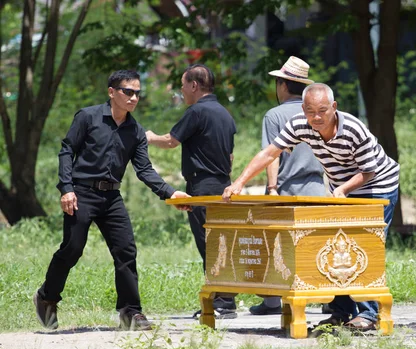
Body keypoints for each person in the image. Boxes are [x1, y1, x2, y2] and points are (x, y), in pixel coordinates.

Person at [223, 83, 399, 331]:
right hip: (342, 188)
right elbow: (269, 154)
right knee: (335, 243)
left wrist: (342, 190)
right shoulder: (299, 124)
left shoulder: (353, 129)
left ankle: (369, 314)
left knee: (364, 243)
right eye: (310, 111)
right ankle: (341, 311)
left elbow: (368, 171)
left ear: (334, 108)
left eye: (322, 111)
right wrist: (239, 183)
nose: (316, 117)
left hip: (377, 184)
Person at [33, 70, 190, 331]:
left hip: (111, 197)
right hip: (81, 193)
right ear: (112, 92)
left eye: (137, 93)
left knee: (126, 250)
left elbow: (144, 169)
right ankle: (47, 296)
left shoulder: (135, 131)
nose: (133, 97)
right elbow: (66, 150)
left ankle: (131, 312)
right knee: (73, 248)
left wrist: (171, 193)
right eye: (127, 91)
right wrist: (66, 188)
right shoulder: (88, 117)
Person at [145, 64, 238, 319]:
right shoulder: (225, 114)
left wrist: (149, 137)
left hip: (202, 186)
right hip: (223, 186)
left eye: (184, 85)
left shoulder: (196, 111)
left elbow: (171, 141)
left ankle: (222, 301)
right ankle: (226, 299)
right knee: (221, 243)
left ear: (194, 86)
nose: (182, 90)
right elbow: (229, 157)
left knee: (208, 244)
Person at [249, 56, 325, 316]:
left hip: (287, 188)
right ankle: (328, 297)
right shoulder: (318, 111)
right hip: (317, 186)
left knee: (276, 244)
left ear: (282, 84)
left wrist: (271, 188)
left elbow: (272, 154)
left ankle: (272, 300)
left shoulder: (274, 115)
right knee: (317, 244)